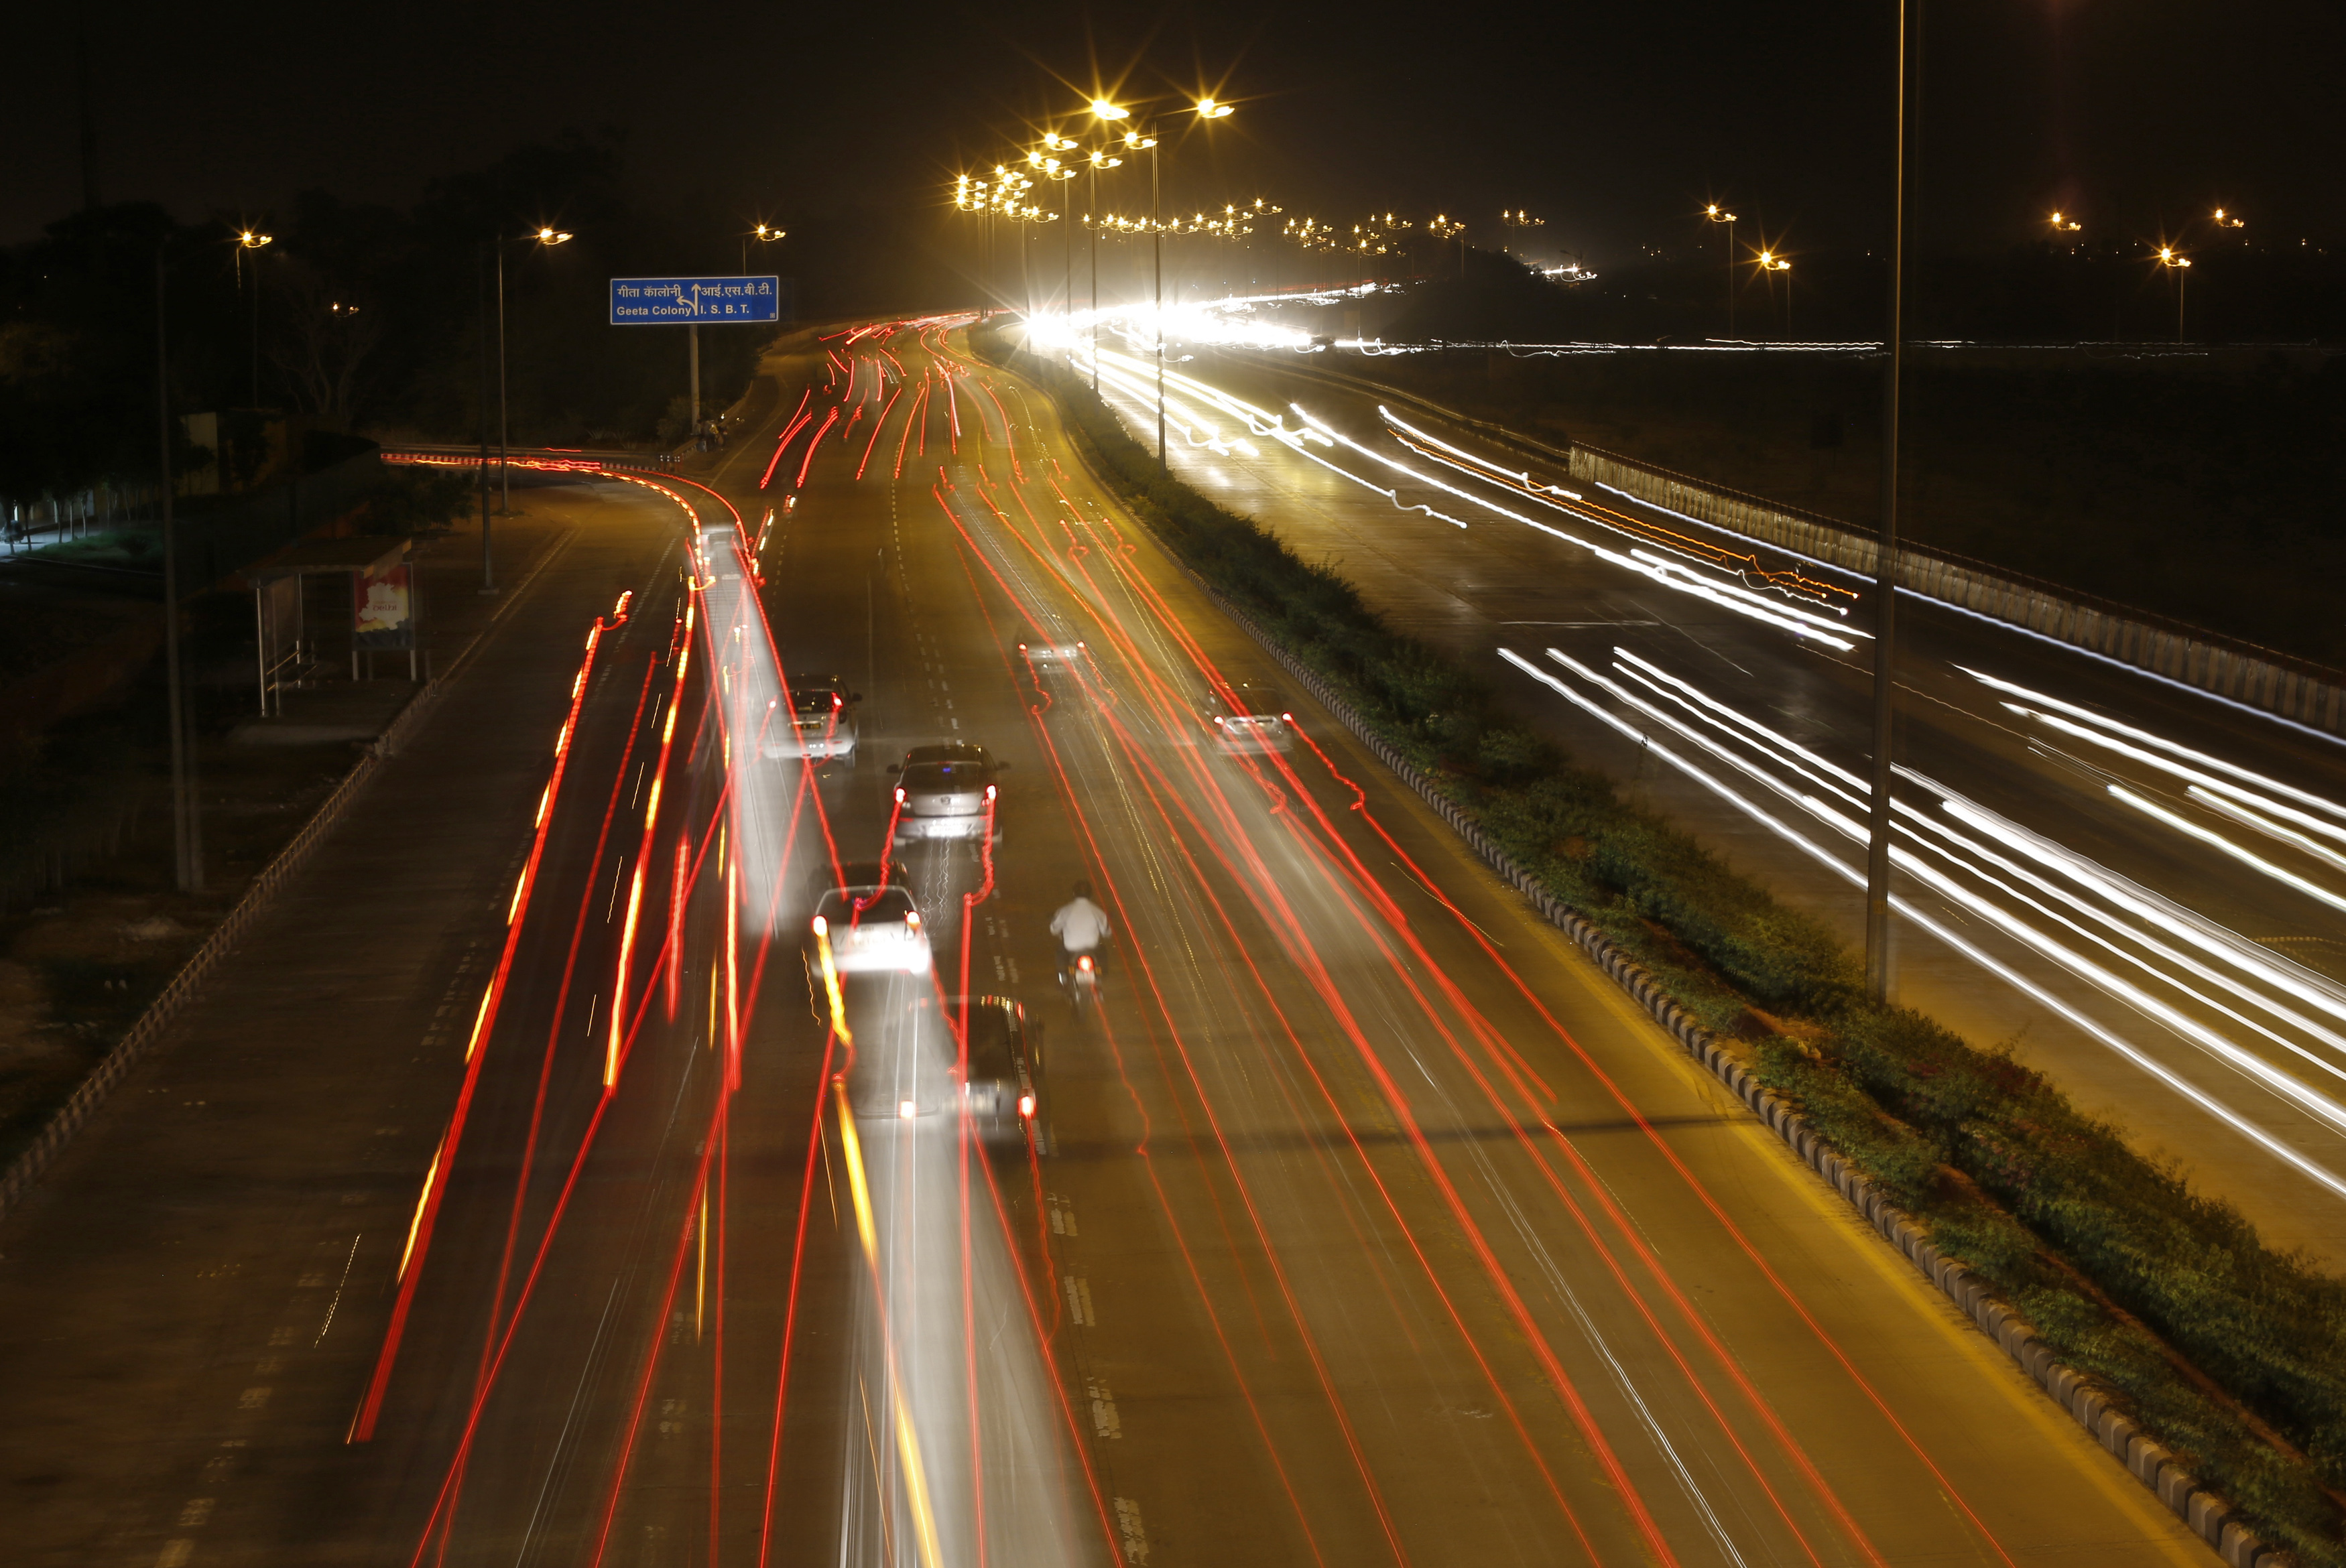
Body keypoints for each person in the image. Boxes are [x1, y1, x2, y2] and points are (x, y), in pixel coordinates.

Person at [1050, 880, 1111, 982]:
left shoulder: (1065, 910)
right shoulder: (1098, 911)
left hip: (1070, 947)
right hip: (1092, 946)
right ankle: (1102, 974)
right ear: (1090, 894)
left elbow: (1054, 929)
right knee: (1103, 950)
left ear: (1074, 893)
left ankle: (1063, 978)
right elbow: (1106, 932)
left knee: (1060, 953)